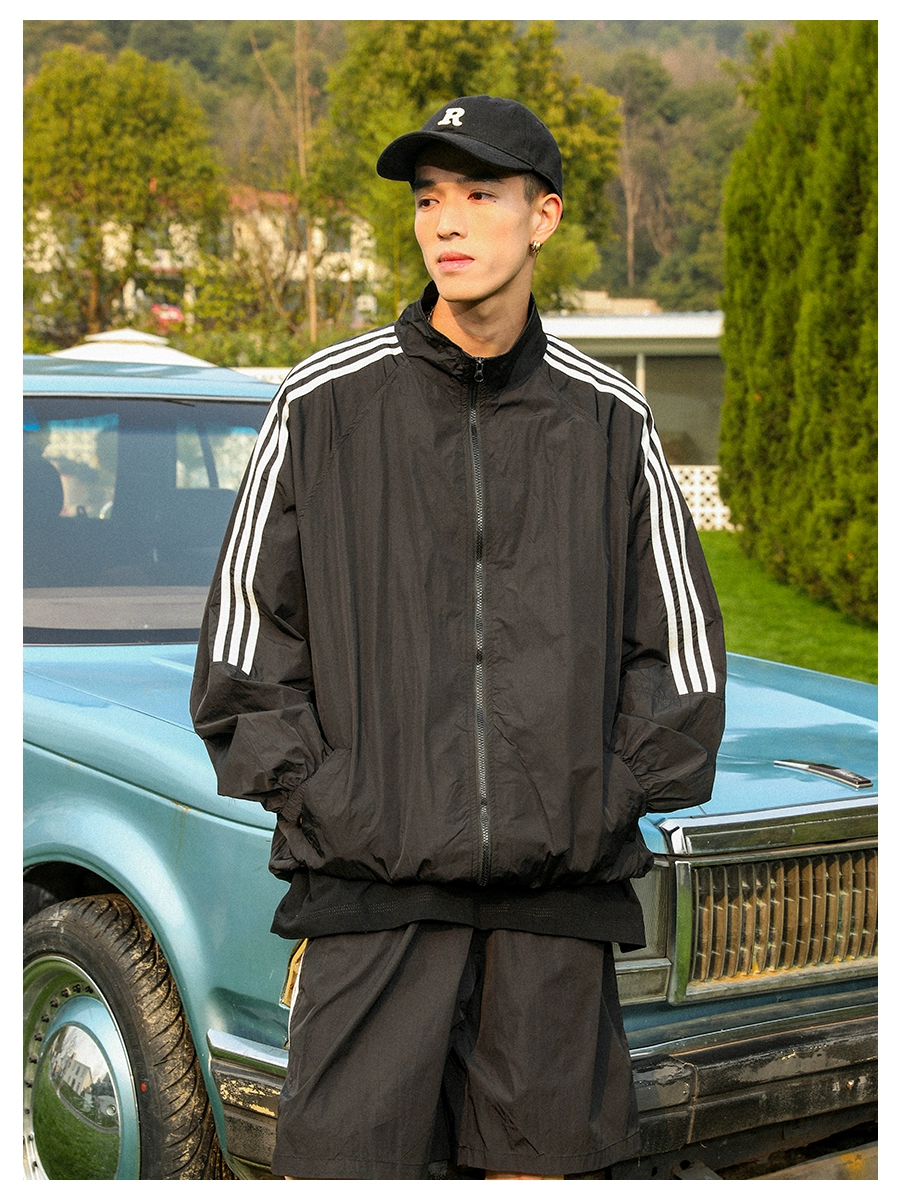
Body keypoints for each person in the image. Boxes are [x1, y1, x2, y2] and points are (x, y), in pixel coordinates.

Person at [190, 95, 726, 1181]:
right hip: (371, 900)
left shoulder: (610, 422)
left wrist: (597, 797)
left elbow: (679, 657)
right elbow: (244, 654)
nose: (446, 220)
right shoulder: (321, 403)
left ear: (544, 216)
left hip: (554, 909)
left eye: (479, 193)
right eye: (429, 198)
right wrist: (337, 798)